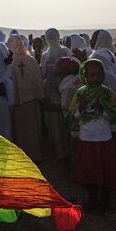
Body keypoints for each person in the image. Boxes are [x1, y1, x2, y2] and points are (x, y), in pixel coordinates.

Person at [67, 59, 116, 214]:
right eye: (92, 75)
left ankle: (104, 202)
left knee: (105, 170)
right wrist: (81, 109)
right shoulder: (81, 93)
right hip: (87, 137)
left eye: (99, 75)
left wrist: (103, 110)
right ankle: (92, 200)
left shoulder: (107, 93)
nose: (95, 78)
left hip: (103, 138)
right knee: (90, 170)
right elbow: (73, 115)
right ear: (85, 76)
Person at [8, 35, 44, 161]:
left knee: (21, 131)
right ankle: (36, 155)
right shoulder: (31, 60)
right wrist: (40, 95)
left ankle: (24, 158)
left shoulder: (12, 63)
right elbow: (38, 80)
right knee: (33, 130)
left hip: (18, 102)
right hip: (32, 100)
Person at [40, 28, 72, 160]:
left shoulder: (45, 54)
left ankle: (59, 152)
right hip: (65, 88)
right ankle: (68, 150)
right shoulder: (65, 51)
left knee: (54, 124)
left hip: (51, 90)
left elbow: (43, 74)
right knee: (66, 122)